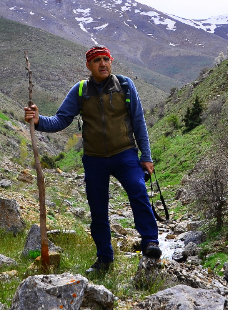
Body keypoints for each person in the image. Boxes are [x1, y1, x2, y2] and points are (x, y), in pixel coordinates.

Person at [24, 46, 160, 273]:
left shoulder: (125, 85)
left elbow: (139, 122)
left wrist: (146, 157)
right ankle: (104, 259)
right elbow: (60, 120)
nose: (103, 64)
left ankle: (150, 242)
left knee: (138, 190)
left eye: (106, 59)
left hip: (125, 153)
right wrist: (37, 120)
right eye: (97, 60)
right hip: (94, 159)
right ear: (88, 65)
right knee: (98, 209)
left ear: (111, 61)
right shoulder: (80, 91)